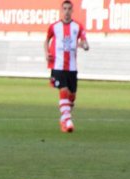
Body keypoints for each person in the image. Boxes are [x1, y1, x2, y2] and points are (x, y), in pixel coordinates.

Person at [44, 0, 89, 133]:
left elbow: (85, 42)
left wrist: (84, 45)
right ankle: (67, 121)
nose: (67, 11)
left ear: (72, 10)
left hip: (72, 68)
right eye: (65, 8)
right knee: (63, 90)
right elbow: (46, 40)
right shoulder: (54, 27)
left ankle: (64, 118)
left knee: (72, 96)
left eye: (69, 8)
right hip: (58, 66)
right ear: (61, 10)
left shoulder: (78, 27)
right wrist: (46, 52)